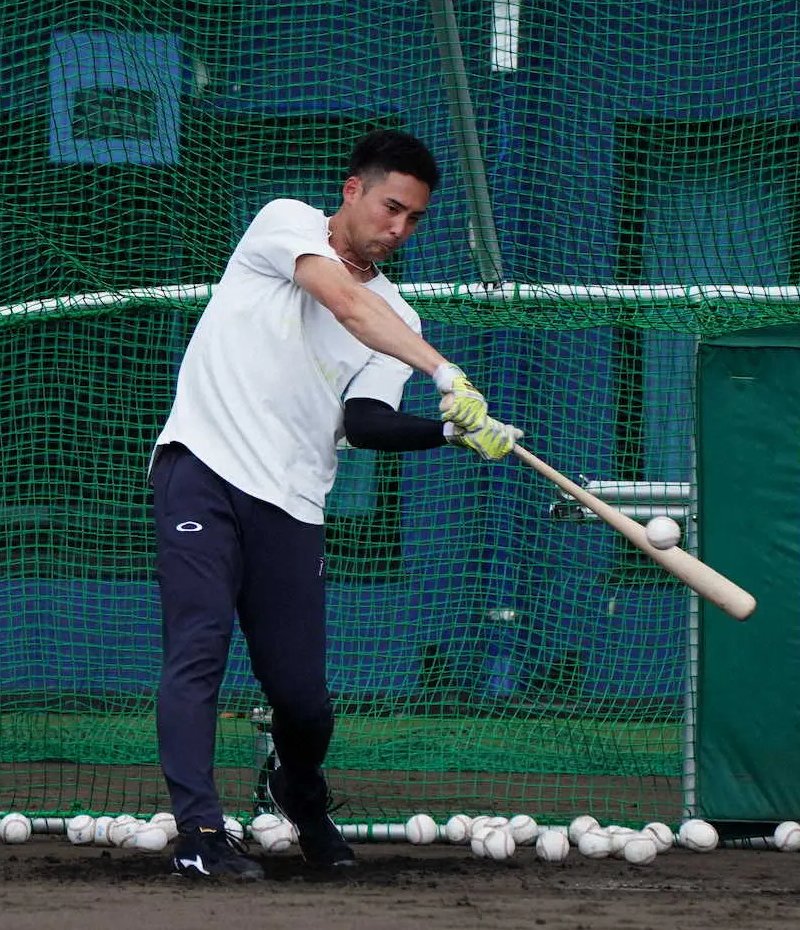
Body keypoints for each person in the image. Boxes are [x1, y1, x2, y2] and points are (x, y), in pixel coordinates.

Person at [150, 129, 522, 881]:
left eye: (413, 218)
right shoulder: (284, 222)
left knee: (304, 702)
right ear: (353, 190)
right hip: (202, 469)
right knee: (198, 650)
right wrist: (445, 374)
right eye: (390, 207)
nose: (398, 228)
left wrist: (448, 431)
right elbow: (345, 304)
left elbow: (365, 421)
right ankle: (200, 833)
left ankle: (300, 792)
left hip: (291, 504)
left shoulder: (400, 318)